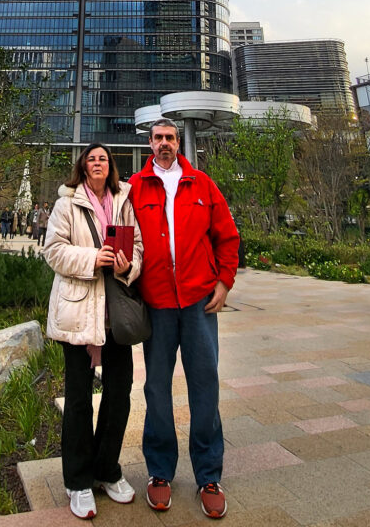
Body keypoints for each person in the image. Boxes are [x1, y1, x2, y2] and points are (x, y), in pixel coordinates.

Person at [129, 118, 240, 520]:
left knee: (205, 386)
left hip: (197, 302)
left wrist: (224, 283)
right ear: (149, 143)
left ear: (179, 143)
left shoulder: (203, 185)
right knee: (157, 389)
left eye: (170, 138)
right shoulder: (135, 188)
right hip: (157, 304)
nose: (164, 144)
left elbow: (227, 237)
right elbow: (123, 239)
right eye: (158, 138)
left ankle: (209, 475)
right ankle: (160, 471)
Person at [44, 143, 143, 520]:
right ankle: (79, 480)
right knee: (80, 399)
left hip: (115, 314)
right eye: (92, 158)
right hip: (79, 315)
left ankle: (107, 469)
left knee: (119, 395)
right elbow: (53, 251)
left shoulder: (124, 200)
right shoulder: (66, 203)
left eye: (104, 158)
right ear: (82, 166)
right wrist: (92, 259)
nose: (98, 163)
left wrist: (125, 265)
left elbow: (138, 247)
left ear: (110, 165)